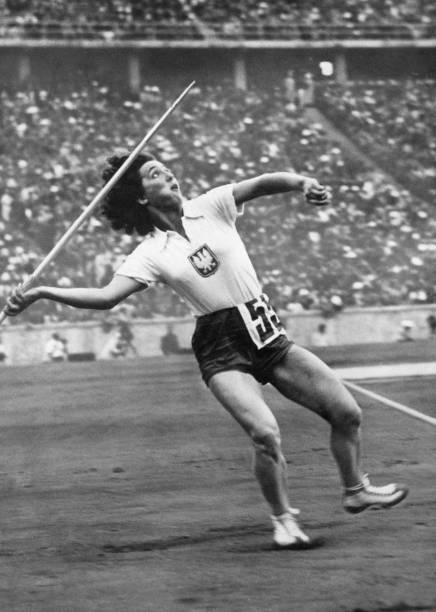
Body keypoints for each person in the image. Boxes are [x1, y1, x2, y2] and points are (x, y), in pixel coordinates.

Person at [5, 153, 408, 550]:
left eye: (164, 168)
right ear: (143, 198)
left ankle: (355, 489)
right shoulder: (151, 253)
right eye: (154, 174)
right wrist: (42, 292)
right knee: (265, 433)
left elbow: (264, 182)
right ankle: (284, 520)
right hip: (221, 346)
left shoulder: (212, 206)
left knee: (347, 412)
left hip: (267, 331)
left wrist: (302, 183)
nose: (168, 173)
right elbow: (106, 297)